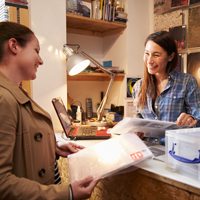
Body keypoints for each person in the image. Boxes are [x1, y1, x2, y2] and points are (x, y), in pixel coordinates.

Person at [0, 21, 97, 200]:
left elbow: (19, 144)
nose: (41, 60)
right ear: (14, 46)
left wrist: (52, 147)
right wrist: (68, 193)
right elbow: (2, 182)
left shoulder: (15, 92)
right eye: (36, 50)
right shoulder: (3, 99)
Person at [132, 31, 200, 128]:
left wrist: (191, 119)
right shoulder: (138, 86)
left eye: (156, 55)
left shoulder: (187, 82)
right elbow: (138, 118)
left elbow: (198, 117)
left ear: (170, 57)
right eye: (147, 53)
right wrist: (136, 129)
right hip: (147, 143)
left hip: (176, 142)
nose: (149, 60)